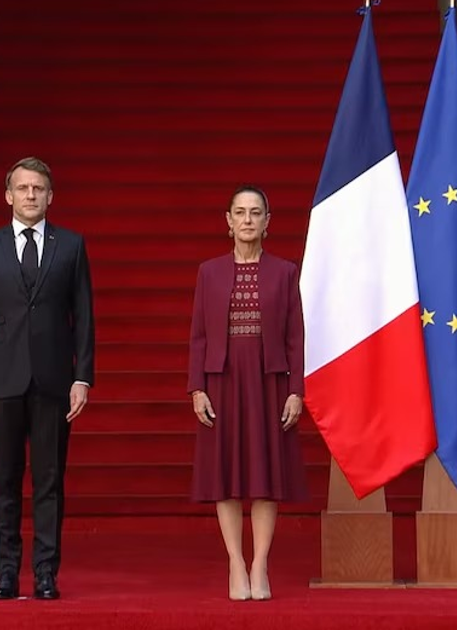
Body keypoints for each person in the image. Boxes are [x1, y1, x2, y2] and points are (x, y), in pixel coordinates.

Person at [0, 156, 95, 601]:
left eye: (38, 189)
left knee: (49, 481)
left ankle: (45, 573)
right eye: (23, 188)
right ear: (8, 196)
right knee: (4, 481)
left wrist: (82, 378)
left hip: (55, 381)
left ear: (50, 196)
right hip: (0, 383)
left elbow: (85, 319)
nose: (30, 195)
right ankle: (5, 572)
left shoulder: (71, 246)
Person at [187, 185, 309, 601]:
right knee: (224, 474)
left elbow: (296, 337)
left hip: (268, 381)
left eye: (256, 213)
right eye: (240, 212)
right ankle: (235, 562)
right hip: (221, 381)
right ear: (228, 221)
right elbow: (199, 336)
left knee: (264, 476)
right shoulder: (209, 272)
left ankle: (260, 564)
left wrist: (296, 390)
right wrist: (196, 388)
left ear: (267, 222)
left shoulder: (285, 272)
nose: (247, 220)